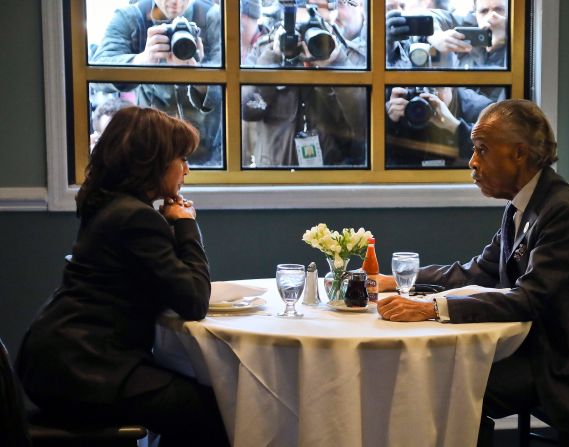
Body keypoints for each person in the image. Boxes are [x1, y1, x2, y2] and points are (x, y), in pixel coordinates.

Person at [376, 99, 569, 445]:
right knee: (450, 378)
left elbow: (528, 299)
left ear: (519, 154)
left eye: (482, 150)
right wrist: (397, 280)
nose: (472, 161)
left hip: (568, 366)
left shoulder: (559, 210)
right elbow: (479, 270)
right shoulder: (524, 201)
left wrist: (431, 308)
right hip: (539, 351)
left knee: (460, 386)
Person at [15, 107, 228, 447]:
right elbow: (194, 300)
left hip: (55, 360)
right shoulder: (136, 218)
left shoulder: (107, 205)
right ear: (154, 161)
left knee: (195, 407)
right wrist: (186, 223)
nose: (187, 169)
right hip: (85, 369)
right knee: (219, 413)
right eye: (182, 158)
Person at [91, 0, 224, 166]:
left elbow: (231, 88)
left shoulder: (213, 17)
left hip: (208, 151)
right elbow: (97, 73)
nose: (176, 2)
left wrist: (198, 75)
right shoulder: (132, 17)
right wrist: (142, 60)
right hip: (152, 148)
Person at [241, 0, 367, 168]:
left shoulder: (347, 55)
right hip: (274, 174)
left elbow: (363, 124)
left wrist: (337, 64)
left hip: (330, 172)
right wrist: (272, 60)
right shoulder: (264, 50)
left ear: (332, 13)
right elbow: (247, 109)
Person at [385, 85, 494, 167]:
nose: (427, 97)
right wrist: (390, 124)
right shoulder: (397, 107)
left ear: (452, 86)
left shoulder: (478, 108)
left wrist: (454, 125)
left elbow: (496, 154)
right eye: (418, 89)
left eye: (436, 87)